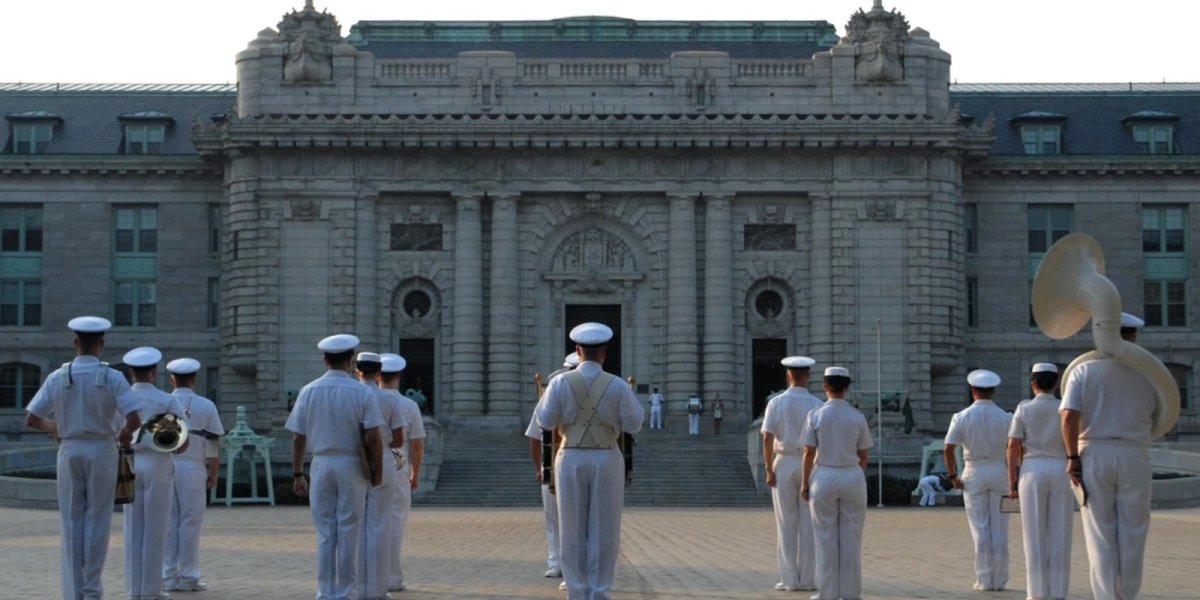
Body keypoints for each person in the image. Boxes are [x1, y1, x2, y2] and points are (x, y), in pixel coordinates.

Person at [24, 316, 141, 600]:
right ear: (101, 344)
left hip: (70, 448)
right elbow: (134, 418)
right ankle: (92, 589)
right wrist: (125, 434)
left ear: (75, 342)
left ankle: (73, 591)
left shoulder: (58, 376)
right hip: (102, 448)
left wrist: (55, 427)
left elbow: (32, 418)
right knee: (98, 518)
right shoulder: (112, 376)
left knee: (70, 519)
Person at [536, 322, 644, 600]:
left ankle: (576, 591)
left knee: (570, 526)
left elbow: (545, 421)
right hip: (606, 456)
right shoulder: (618, 385)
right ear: (604, 353)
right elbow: (634, 424)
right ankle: (599, 591)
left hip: (570, 455)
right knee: (604, 527)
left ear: (577, 350)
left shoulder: (559, 382)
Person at [1061, 313, 1158, 600]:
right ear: (1133, 337)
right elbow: (1162, 413)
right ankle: (1127, 595)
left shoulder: (1083, 370)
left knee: (1100, 532)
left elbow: (1068, 416)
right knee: (1134, 531)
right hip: (1134, 451)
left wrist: (1072, 456)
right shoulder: (1151, 373)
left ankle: (1105, 596)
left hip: (1094, 450)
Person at [287, 334, 385, 600]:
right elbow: (373, 437)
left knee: (325, 532)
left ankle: (325, 591)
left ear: (325, 360)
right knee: (349, 528)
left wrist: (297, 473)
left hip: (321, 462)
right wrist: (377, 470)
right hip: (352, 463)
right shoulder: (362, 392)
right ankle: (346, 591)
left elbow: (298, 437)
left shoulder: (309, 390)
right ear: (350, 360)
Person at [122, 346, 190, 600]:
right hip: (158, 462)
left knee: (132, 528)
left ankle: (134, 589)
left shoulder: (122, 398)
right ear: (154, 372)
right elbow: (183, 442)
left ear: (131, 372)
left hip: (129, 462)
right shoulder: (166, 400)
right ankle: (150, 590)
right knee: (156, 527)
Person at [801, 366, 872, 600]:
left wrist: (805, 483)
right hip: (852, 474)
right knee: (852, 538)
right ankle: (851, 593)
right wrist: (855, 474)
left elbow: (808, 452)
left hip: (824, 474)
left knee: (824, 537)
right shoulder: (857, 416)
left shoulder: (815, 415)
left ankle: (827, 593)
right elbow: (864, 455)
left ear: (825, 386)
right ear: (847, 387)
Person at [1008, 363, 1073, 600]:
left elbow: (1013, 446)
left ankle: (1036, 592)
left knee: (1033, 533)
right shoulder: (1065, 407)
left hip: (1032, 468)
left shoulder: (1024, 408)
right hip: (1061, 467)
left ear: (1033, 383)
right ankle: (1058, 591)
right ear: (1056, 384)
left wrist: (1012, 481)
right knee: (1061, 532)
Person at [944, 368, 1013, 592]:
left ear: (973, 391)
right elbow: (1015, 447)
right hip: (1000, 472)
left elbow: (948, 448)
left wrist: (953, 475)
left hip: (973, 471)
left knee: (980, 529)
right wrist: (1014, 476)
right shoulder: (1006, 417)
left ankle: (984, 579)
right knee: (1000, 528)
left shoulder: (961, 417)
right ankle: (1000, 579)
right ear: (993, 392)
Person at [163, 357, 225, 594]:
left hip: (166, 464)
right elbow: (213, 442)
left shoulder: (163, 402)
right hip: (193, 466)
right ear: (194, 379)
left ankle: (168, 576)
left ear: (172, 379)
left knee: (168, 522)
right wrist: (213, 472)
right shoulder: (206, 405)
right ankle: (189, 576)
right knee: (191, 521)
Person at [761, 355, 822, 592]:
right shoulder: (817, 404)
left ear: (788, 376)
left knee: (786, 522)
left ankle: (788, 579)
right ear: (807, 376)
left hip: (784, 462)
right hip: (810, 463)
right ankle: (807, 579)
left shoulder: (776, 403)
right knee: (809, 524)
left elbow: (767, 437)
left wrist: (768, 468)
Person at [355, 352, 406, 600]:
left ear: (357, 371)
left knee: (351, 526)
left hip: (353, 461)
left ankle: (352, 587)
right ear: (378, 373)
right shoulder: (389, 399)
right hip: (383, 460)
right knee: (380, 526)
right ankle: (376, 589)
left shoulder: (351, 394)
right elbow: (399, 440)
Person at [525, 353, 579, 579]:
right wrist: (539, 467)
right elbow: (535, 436)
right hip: (554, 465)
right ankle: (556, 561)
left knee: (577, 519)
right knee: (554, 518)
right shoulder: (547, 400)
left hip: (574, 464)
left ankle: (572, 564)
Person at [380, 352, 426, 593]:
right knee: (395, 523)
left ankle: (367, 576)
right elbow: (416, 444)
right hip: (398, 462)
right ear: (398, 376)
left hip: (367, 465)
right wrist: (414, 473)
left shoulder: (365, 400)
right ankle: (392, 577)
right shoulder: (408, 405)